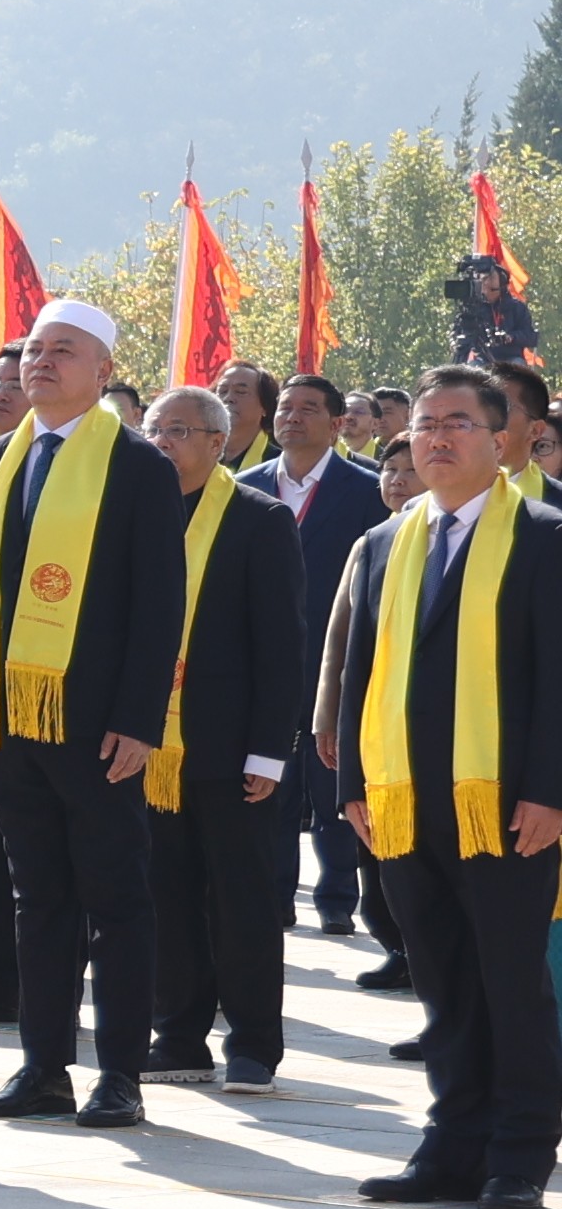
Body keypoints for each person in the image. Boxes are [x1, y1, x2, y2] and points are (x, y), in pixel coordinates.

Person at [0, 294, 194, 1127]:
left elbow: (160, 602)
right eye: (34, 350)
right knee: (37, 898)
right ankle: (43, 1067)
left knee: (116, 901)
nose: (41, 363)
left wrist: (139, 718)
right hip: (8, 717)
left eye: (63, 351)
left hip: (97, 725)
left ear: (104, 371)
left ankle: (120, 1073)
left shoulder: (137, 464)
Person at [320, 368, 562, 1209]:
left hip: (505, 805)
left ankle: (520, 1151)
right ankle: (452, 1143)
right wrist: (355, 783)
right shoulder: (387, 541)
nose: (437, 438)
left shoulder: (545, 537)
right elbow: (359, 672)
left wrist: (549, 791)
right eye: (425, 425)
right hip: (403, 801)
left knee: (510, 981)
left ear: (503, 441)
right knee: (443, 982)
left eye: (458, 423)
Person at [112, 384, 303, 1088]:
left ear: (218, 444)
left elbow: (282, 645)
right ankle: (179, 1036)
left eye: (180, 431)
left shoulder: (258, 519)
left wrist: (269, 750)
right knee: (166, 895)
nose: (163, 442)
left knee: (242, 899)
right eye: (155, 430)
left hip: (229, 746)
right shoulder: (131, 512)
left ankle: (253, 1042)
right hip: (147, 744)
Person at [238, 369, 385, 948]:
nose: (291, 418)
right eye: (285, 408)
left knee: (332, 787)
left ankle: (337, 901)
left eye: (307, 409)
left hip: (335, 662)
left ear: (337, 422)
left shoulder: (365, 489)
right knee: (267, 784)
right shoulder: (243, 486)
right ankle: (274, 897)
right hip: (261, 662)